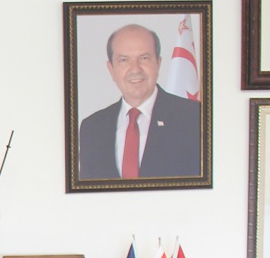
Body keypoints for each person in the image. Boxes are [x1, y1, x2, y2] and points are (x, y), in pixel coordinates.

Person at [77, 23, 202, 181]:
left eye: (144, 58)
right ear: (111, 69)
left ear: (158, 64)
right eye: (124, 60)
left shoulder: (195, 118)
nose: (135, 69)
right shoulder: (92, 128)